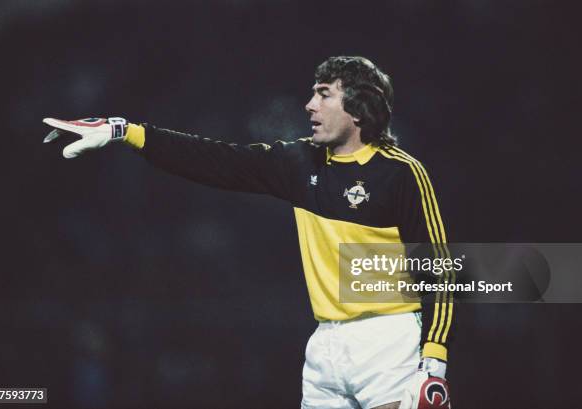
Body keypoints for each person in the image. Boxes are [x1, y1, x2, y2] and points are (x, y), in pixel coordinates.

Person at [43, 56, 454, 409]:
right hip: (324, 346)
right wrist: (125, 131)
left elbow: (440, 270)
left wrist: (433, 360)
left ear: (359, 107)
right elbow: (216, 160)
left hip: (387, 341)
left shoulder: (401, 172)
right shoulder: (300, 163)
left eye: (324, 94)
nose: (309, 105)